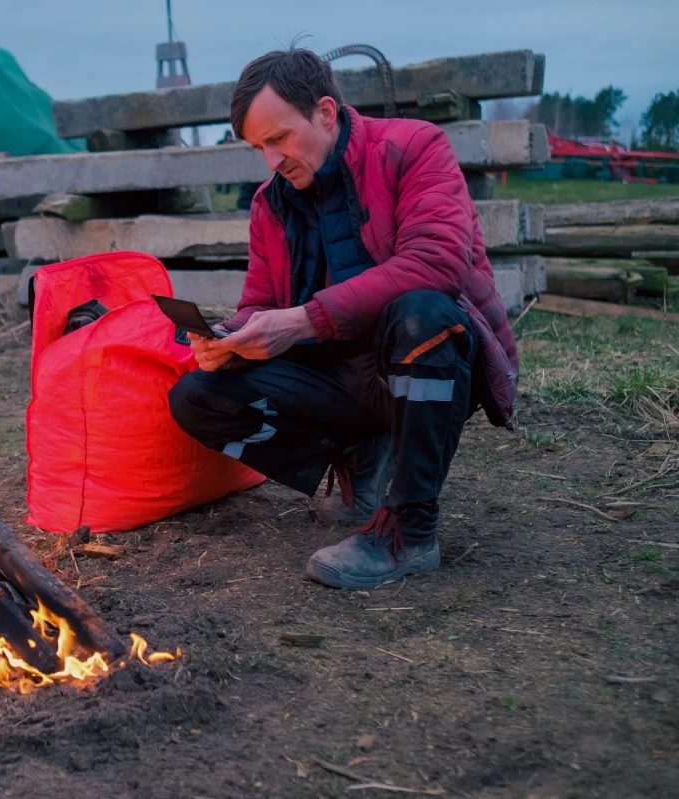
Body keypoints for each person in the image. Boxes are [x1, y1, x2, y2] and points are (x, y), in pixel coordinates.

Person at [168, 47, 518, 591]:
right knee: (198, 395)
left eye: (279, 138)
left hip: (428, 358)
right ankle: (356, 448)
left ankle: (410, 529)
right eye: (259, 146)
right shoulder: (271, 203)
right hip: (337, 379)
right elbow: (260, 302)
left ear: (325, 113)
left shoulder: (415, 147)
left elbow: (436, 264)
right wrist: (232, 339)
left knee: (422, 312)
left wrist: (303, 321)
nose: (271, 160)